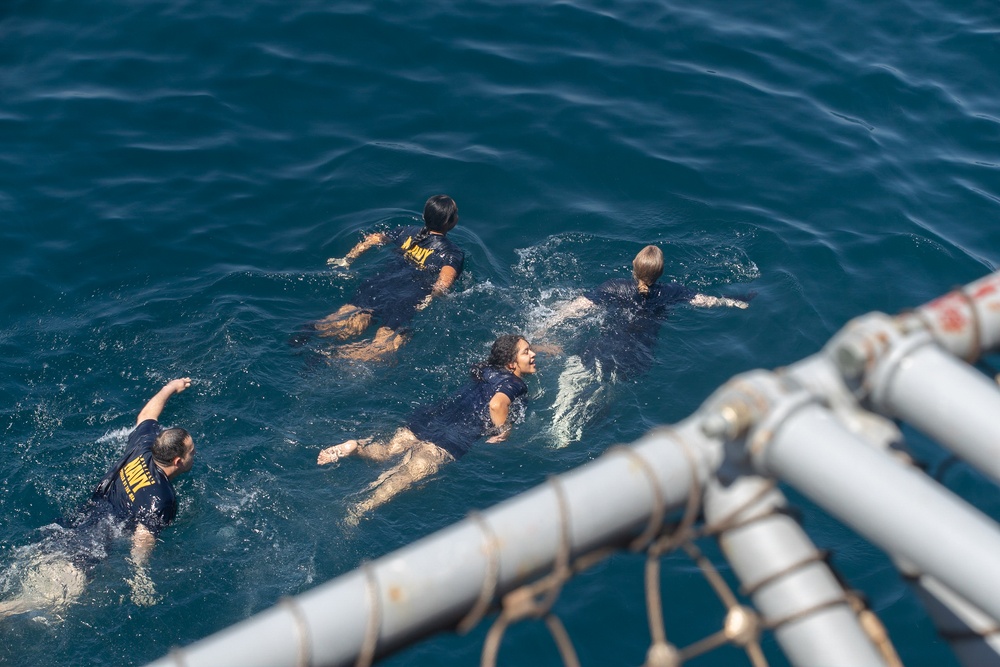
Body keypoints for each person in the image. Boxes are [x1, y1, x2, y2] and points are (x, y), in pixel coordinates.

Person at [0, 378, 196, 619]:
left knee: (28, 581)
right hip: (88, 547)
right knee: (48, 602)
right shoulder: (162, 498)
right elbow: (143, 539)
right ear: (178, 461)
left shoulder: (144, 445)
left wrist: (170, 388)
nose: (194, 456)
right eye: (191, 452)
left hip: (72, 522)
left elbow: (147, 415)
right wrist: (140, 576)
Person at [538, 245, 751, 448]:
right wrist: (735, 302)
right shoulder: (672, 292)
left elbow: (575, 308)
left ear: (633, 265)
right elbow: (706, 302)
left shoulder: (614, 286)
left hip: (596, 353)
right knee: (606, 394)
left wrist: (545, 327)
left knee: (569, 388)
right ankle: (580, 429)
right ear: (661, 272)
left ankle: (560, 431)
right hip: (634, 362)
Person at [317, 335, 537, 522]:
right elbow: (496, 404)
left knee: (386, 453)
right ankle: (361, 508)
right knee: (406, 476)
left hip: (430, 418)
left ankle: (355, 448)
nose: (533, 354)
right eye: (526, 352)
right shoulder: (515, 384)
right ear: (511, 364)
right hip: (453, 436)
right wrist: (505, 431)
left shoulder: (485, 368)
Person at [309, 194, 464, 362]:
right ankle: (333, 357)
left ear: (424, 216)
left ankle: (305, 336)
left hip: (377, 285)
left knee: (340, 321)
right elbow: (444, 284)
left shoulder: (406, 231)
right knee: (382, 347)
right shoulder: (452, 252)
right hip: (405, 299)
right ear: (450, 222)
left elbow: (373, 239)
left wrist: (348, 259)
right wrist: (430, 299)